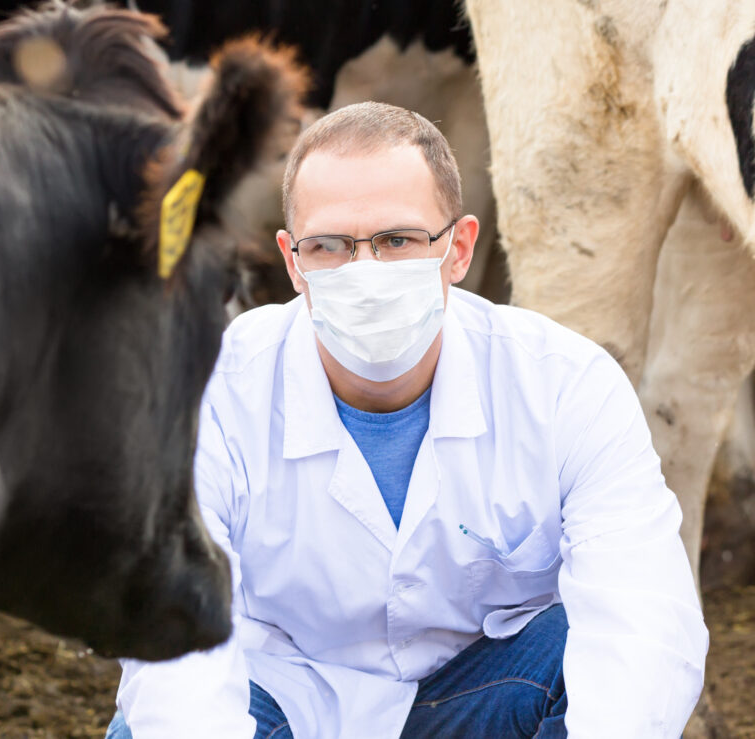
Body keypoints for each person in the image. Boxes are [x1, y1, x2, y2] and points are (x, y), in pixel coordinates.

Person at [105, 102, 708, 738]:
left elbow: (644, 616)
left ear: (459, 248)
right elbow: (175, 643)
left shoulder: (565, 386)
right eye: (330, 246)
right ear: (292, 262)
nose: (366, 274)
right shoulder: (203, 394)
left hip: (478, 697)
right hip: (279, 697)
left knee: (583, 649)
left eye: (397, 240)